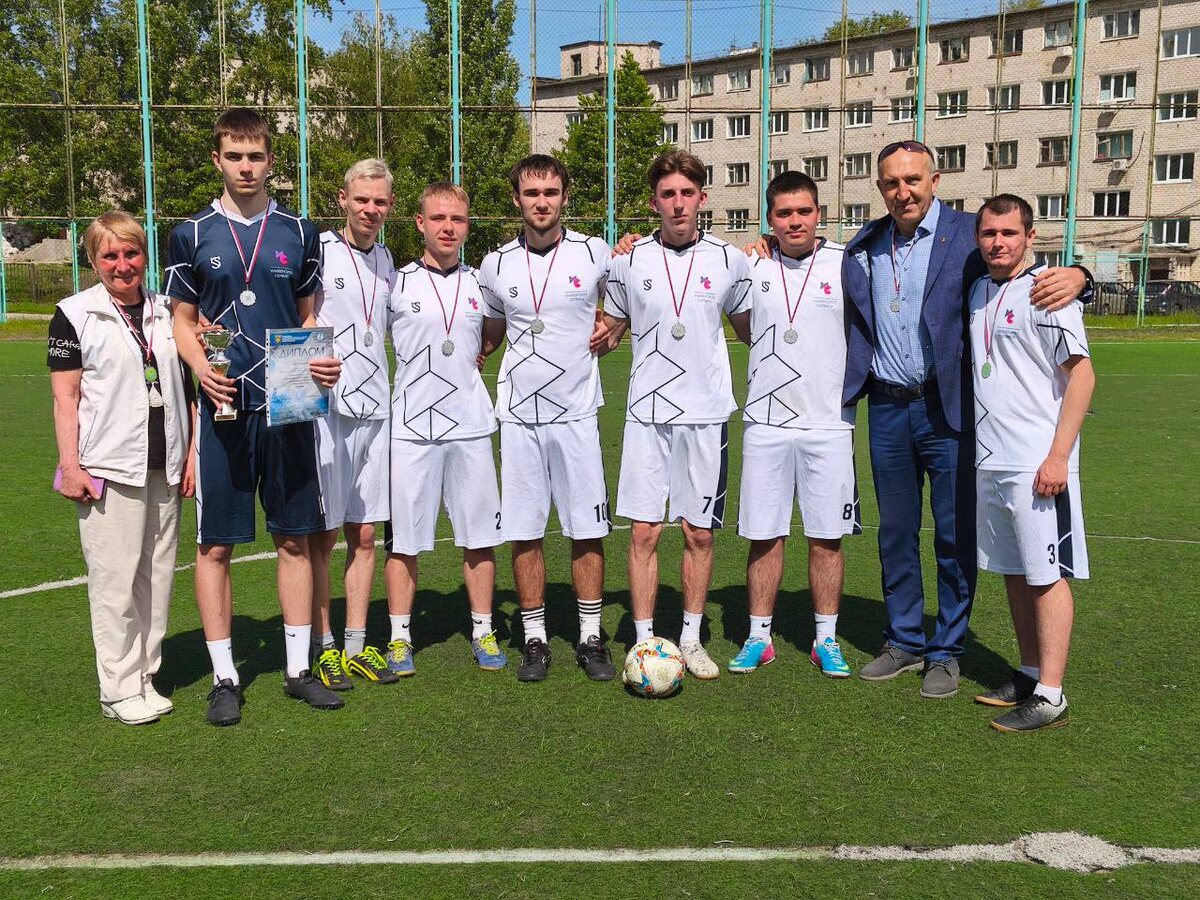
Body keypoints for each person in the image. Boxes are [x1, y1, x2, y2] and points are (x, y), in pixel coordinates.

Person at [843, 140, 1089, 699]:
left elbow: (1019, 267)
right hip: (887, 406)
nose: (902, 191)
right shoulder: (866, 241)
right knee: (896, 531)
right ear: (879, 188)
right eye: (891, 182)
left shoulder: (969, 234)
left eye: (913, 179)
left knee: (954, 536)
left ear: (934, 182)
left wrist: (1081, 276)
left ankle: (946, 650)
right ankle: (904, 639)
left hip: (947, 408)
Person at [167, 108, 344, 725]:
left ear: (271, 161)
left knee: (294, 536)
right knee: (215, 543)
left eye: (256, 156)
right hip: (224, 403)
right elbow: (182, 322)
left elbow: (308, 316)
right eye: (235, 156)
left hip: (288, 399)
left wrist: (319, 361)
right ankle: (225, 677)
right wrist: (200, 366)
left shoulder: (300, 230)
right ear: (217, 159)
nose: (246, 167)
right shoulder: (191, 232)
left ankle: (298, 669)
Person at [601, 150, 752, 679]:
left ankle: (690, 638)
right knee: (643, 533)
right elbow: (608, 330)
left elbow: (752, 330)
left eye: (687, 193)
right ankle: (644, 642)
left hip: (706, 415)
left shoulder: (730, 260)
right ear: (654, 203)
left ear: (702, 198)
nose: (678, 203)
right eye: (668, 194)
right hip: (646, 414)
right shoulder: (628, 261)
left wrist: (770, 252)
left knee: (699, 534)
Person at [48, 212, 196, 725]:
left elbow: (190, 388)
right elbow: (66, 398)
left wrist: (192, 453)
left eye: (131, 253)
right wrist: (70, 466)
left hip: (165, 464)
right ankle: (117, 687)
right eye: (109, 255)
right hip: (109, 468)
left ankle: (144, 677)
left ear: (144, 256)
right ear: (93, 261)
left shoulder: (167, 310)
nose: (122, 264)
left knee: (156, 577)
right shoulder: (75, 314)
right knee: (114, 583)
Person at [478, 154, 617, 683]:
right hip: (519, 415)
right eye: (532, 193)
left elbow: (629, 301)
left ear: (565, 197)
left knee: (588, 528)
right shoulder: (495, 264)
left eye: (551, 192)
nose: (542, 202)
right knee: (525, 531)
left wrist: (614, 329)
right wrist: (475, 354)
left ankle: (590, 636)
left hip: (577, 413)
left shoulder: (596, 253)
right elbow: (490, 331)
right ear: (516, 198)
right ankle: (534, 639)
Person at [967, 195, 1093, 732]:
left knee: (1047, 575)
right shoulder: (978, 290)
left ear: (1030, 236)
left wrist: (1059, 456)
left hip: (1037, 462)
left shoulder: (1050, 292)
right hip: (991, 458)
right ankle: (1029, 672)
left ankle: (1052, 694)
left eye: (1009, 233)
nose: (998, 242)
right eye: (989, 233)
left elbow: (1082, 376)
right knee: (1015, 573)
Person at [730, 171, 860, 677]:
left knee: (827, 537)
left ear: (818, 214)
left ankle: (825, 639)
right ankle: (759, 637)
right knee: (764, 534)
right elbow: (741, 324)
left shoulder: (846, 263)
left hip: (829, 422)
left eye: (804, 211)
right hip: (765, 421)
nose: (795, 221)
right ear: (770, 220)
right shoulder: (752, 264)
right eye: (784, 213)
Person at [383, 182, 507, 673]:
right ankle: (399, 638)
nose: (448, 228)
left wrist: (480, 354)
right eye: (438, 218)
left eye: (457, 219)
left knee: (479, 537)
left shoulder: (481, 283)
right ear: (420, 223)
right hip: (411, 428)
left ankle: (483, 630)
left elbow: (493, 333)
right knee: (404, 541)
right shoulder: (396, 282)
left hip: (470, 425)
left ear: (467, 225)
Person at [306, 159, 401, 689]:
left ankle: (356, 644)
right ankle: (323, 647)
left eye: (380, 202)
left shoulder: (387, 260)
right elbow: (298, 319)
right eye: (362, 200)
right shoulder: (318, 249)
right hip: (328, 410)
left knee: (364, 533)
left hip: (377, 410)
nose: (370, 209)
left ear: (390, 207)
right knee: (323, 536)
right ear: (343, 199)